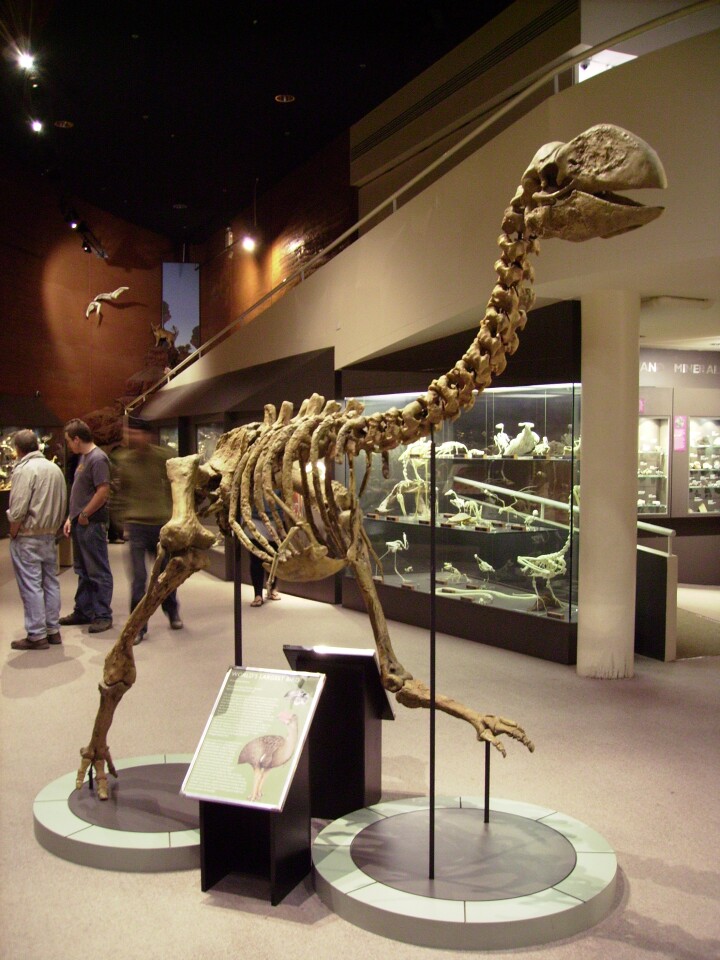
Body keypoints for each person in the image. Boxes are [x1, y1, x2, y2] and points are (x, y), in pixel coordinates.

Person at [111, 417, 183, 642]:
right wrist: (120, 523)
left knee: (165, 576)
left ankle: (172, 612)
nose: (132, 438)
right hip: (136, 527)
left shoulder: (164, 457)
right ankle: (138, 626)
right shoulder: (123, 460)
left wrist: (175, 516)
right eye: (129, 433)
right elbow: (117, 494)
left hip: (161, 526)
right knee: (139, 579)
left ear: (148, 435)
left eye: (136, 433)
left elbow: (177, 486)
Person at [7, 430, 67, 650]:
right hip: (50, 534)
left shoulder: (24, 470)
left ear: (18, 449)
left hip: (28, 536)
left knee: (31, 584)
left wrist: (13, 531)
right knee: (50, 582)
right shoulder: (54, 469)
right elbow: (62, 502)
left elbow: (18, 509)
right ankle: (53, 630)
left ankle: (36, 634)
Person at [60, 418, 114, 633]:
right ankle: (84, 610)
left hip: (91, 523)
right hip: (80, 523)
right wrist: (70, 518)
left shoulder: (98, 458)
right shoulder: (84, 458)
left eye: (69, 441)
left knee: (98, 570)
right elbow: (80, 492)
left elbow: (103, 491)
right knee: (83, 570)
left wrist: (84, 514)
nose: (69, 446)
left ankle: (102, 614)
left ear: (77, 439)